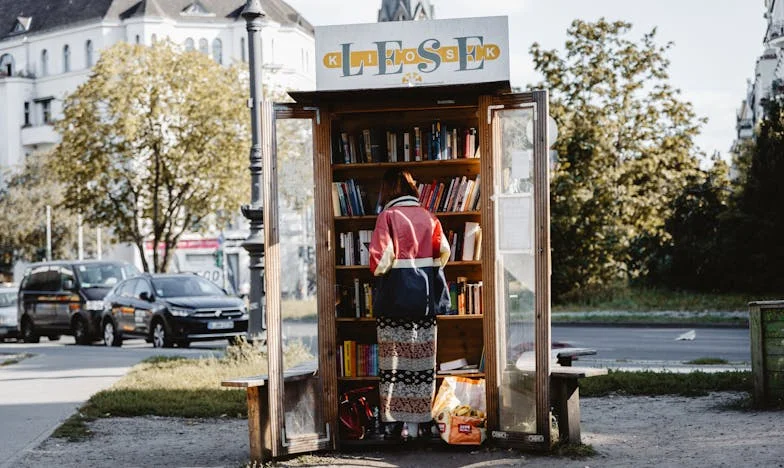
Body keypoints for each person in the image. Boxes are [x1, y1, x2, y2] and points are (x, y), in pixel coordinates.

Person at [369, 168, 451, 439]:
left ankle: (394, 425)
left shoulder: (388, 217)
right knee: (421, 365)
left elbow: (380, 263)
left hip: (395, 304)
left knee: (393, 367)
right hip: (425, 304)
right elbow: (444, 253)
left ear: (389, 190)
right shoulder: (429, 217)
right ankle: (418, 426)